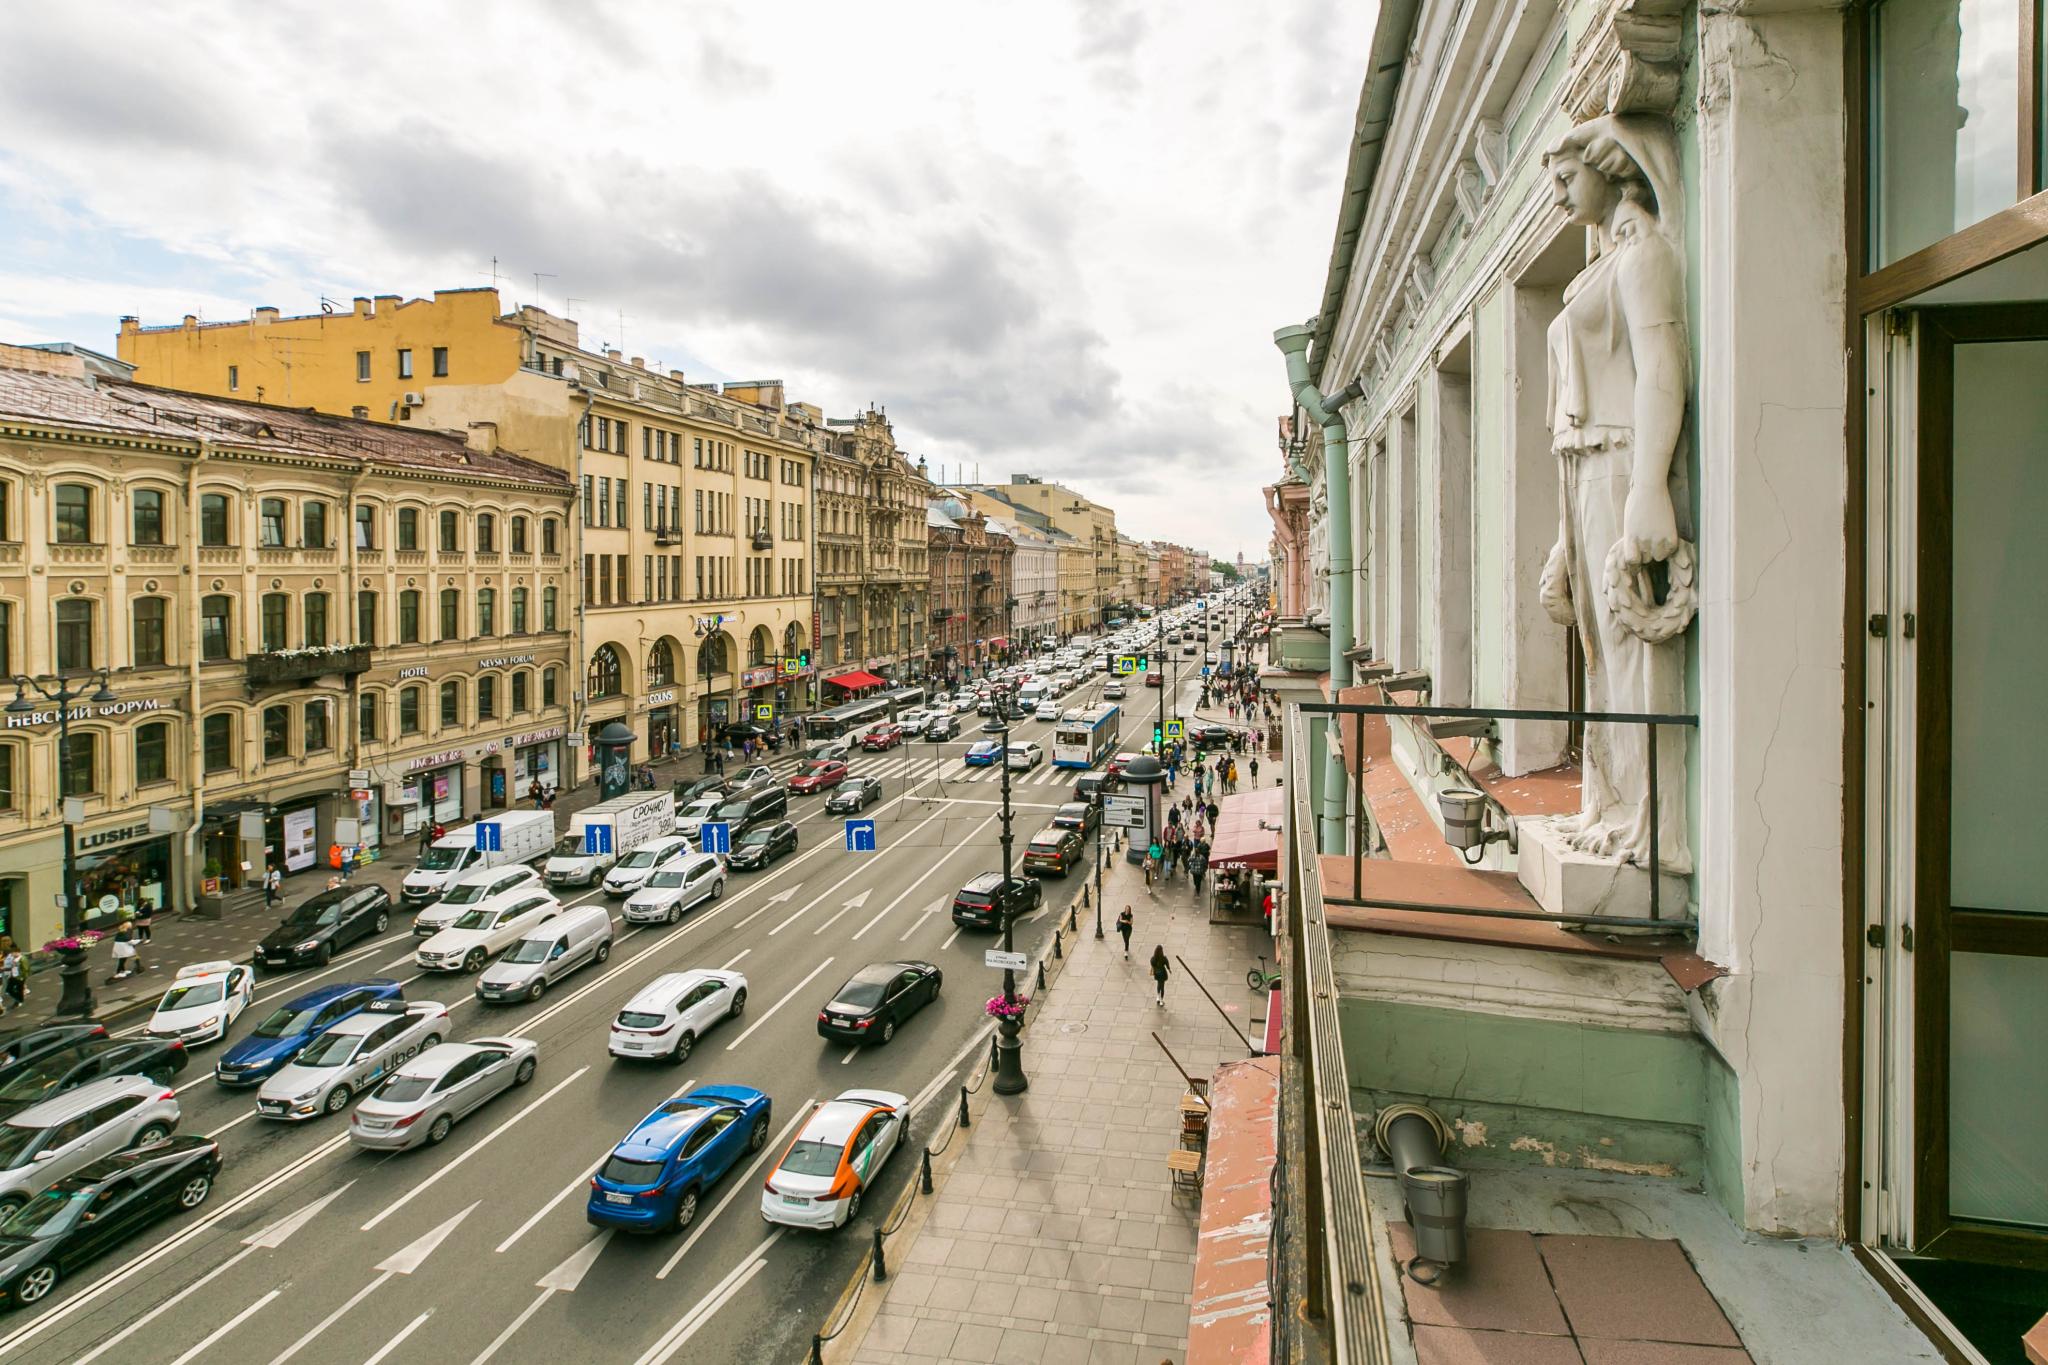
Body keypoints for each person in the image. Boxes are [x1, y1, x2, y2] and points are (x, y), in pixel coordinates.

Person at [0, 938, 24, 1013]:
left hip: (7, 974)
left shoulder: (8, 954)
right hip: (5, 974)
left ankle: (18, 1000)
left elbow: (12, 964)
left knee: (8, 989)